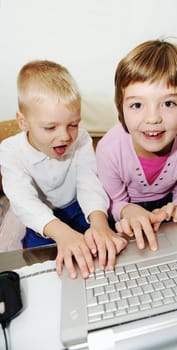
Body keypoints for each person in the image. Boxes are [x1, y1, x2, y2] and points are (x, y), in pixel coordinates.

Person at [0, 60, 127, 279]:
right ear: (23, 122)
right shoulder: (11, 150)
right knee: (38, 265)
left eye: (73, 124)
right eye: (50, 127)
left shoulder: (82, 141)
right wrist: (61, 233)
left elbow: (89, 183)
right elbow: (23, 200)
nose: (65, 136)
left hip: (78, 207)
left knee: (106, 246)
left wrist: (99, 223)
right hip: (43, 217)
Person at [96, 38, 177, 252]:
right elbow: (113, 202)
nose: (153, 118)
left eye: (168, 103)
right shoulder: (108, 148)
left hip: (168, 206)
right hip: (126, 212)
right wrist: (128, 211)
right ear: (121, 109)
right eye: (137, 105)